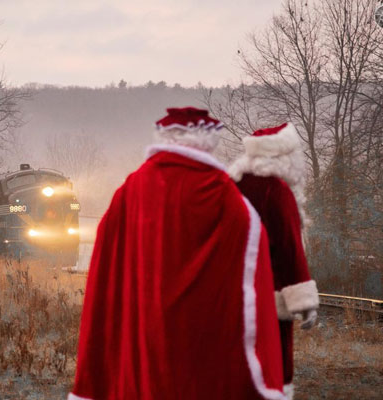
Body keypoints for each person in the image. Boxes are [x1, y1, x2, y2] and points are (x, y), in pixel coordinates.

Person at [69, 107, 287, 400]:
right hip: (203, 344)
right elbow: (253, 275)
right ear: (207, 142)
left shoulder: (130, 189)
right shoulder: (226, 197)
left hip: (144, 339)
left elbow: (106, 267)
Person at [229, 122, 319, 400]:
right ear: (285, 154)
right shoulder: (277, 190)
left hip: (231, 295)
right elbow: (289, 248)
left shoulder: (231, 185)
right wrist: (305, 302)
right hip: (270, 297)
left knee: (238, 366)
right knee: (275, 368)